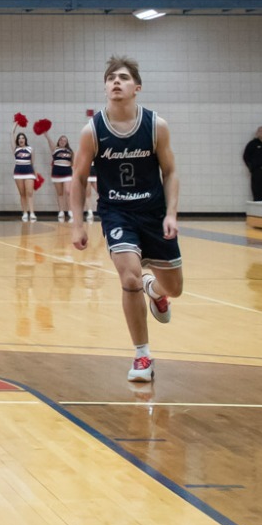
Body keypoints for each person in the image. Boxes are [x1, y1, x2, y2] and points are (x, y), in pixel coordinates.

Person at [70, 56, 183, 383]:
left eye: (122, 78)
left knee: (174, 289)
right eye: (110, 78)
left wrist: (172, 214)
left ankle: (156, 290)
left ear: (137, 87)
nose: (115, 82)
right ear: (105, 87)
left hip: (154, 213)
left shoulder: (155, 125)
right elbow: (78, 178)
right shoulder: (92, 130)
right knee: (129, 278)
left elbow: (171, 170)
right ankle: (142, 355)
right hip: (117, 212)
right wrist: (78, 224)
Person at [49, 131, 74, 222]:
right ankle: (61, 211)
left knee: (68, 191)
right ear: (58, 141)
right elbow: (50, 142)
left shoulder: (70, 151)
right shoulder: (55, 149)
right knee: (60, 193)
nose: (63, 141)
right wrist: (47, 134)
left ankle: (70, 210)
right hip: (56, 173)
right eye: (61, 140)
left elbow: (73, 163)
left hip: (67, 173)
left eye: (65, 140)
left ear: (67, 142)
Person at [12, 131, 38, 221]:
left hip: (29, 172)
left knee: (30, 193)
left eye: (23, 138)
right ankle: (25, 213)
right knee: (22, 194)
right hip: (18, 173)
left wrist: (36, 174)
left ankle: (32, 213)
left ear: (25, 139)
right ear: (17, 140)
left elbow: (33, 163)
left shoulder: (30, 149)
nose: (21, 139)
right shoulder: (15, 149)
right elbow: (11, 134)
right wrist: (15, 125)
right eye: (19, 138)